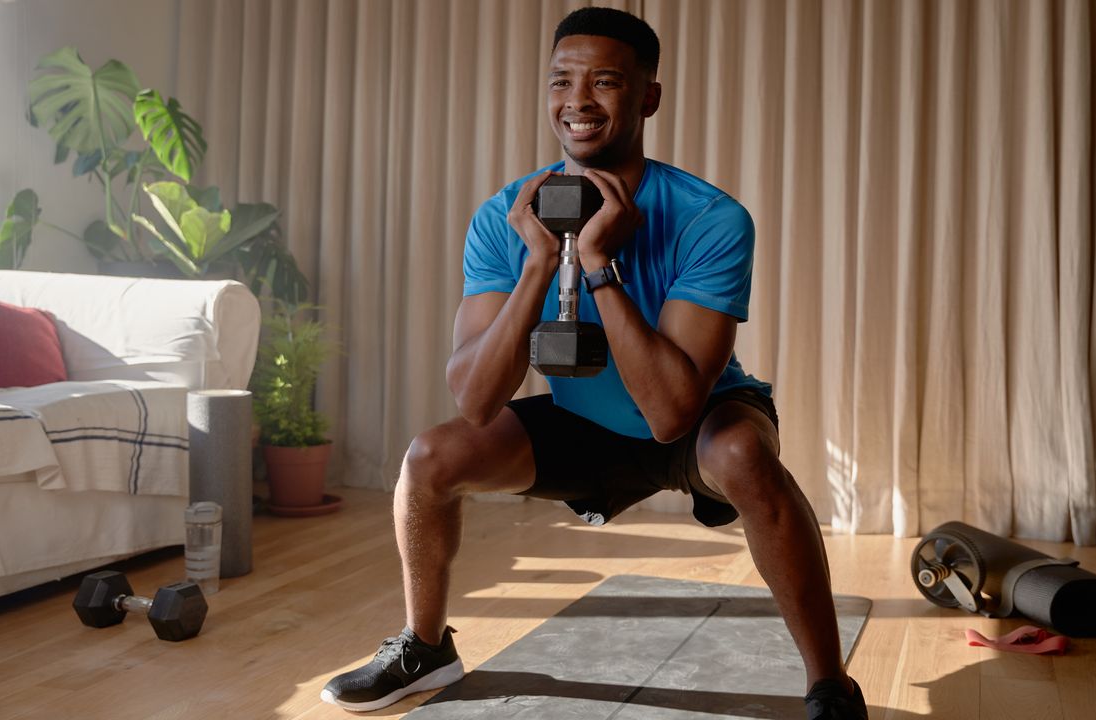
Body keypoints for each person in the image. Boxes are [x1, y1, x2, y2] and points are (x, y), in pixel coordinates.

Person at [320, 7, 867, 719]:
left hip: (696, 421)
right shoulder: (505, 217)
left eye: (604, 82)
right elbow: (477, 401)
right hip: (580, 419)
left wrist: (600, 264)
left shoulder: (710, 218)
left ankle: (828, 683)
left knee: (739, 452)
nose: (577, 101)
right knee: (430, 458)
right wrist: (541, 262)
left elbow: (671, 413)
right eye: (561, 82)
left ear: (648, 98)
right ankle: (427, 648)